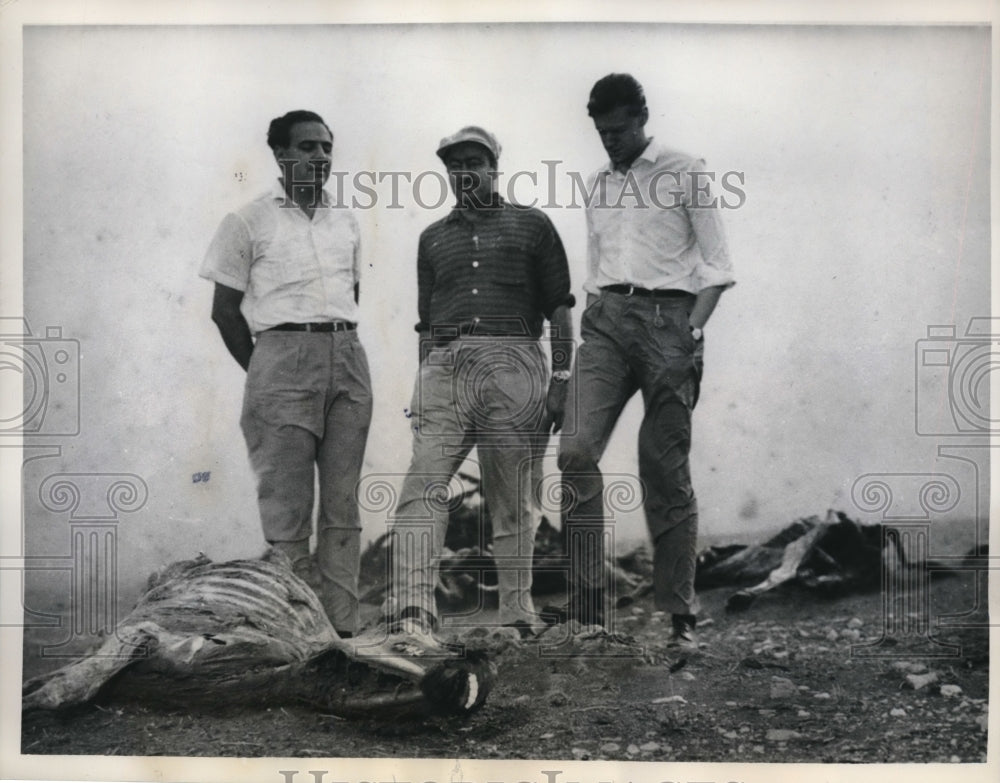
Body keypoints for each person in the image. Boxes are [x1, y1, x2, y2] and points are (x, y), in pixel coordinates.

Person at [556, 74, 735, 649]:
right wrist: (595, 312)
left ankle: (681, 618)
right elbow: (596, 263)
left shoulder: (685, 170)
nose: (610, 140)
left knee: (662, 468)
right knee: (576, 450)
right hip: (607, 322)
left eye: (619, 129)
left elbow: (717, 264)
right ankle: (586, 610)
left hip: (669, 324)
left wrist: (692, 328)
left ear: (642, 117)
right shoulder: (597, 186)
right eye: (601, 132)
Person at [384, 126, 575, 641]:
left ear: (495, 167)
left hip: (514, 361)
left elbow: (559, 306)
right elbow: (426, 322)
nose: (464, 172)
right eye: (454, 164)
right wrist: (423, 378)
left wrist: (561, 379)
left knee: (512, 496)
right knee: (422, 486)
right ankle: (412, 613)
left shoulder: (533, 225)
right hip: (445, 366)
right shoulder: (432, 238)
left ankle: (516, 614)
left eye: (475, 161)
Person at [200, 109, 373, 638]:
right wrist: (266, 374)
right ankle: (300, 625)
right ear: (279, 154)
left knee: (342, 500)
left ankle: (342, 626)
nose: (320, 157)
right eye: (307, 148)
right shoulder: (247, 221)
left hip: (346, 354)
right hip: (280, 356)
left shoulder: (346, 221)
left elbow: (352, 296)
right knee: (287, 502)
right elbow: (224, 310)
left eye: (326, 148)